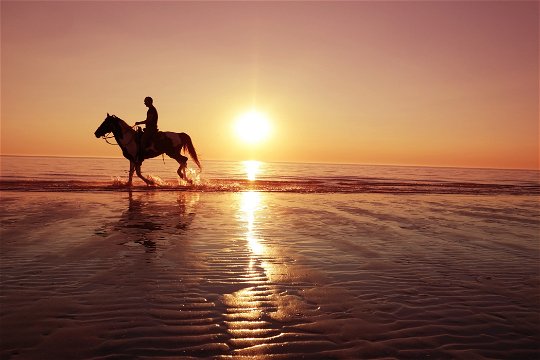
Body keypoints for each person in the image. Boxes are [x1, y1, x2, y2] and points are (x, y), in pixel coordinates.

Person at [135, 96, 159, 162]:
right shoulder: (151, 109)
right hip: (149, 128)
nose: (144, 103)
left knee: (143, 140)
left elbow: (148, 120)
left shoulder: (151, 110)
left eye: (145, 101)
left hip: (151, 129)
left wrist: (139, 123)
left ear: (149, 102)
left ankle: (142, 156)